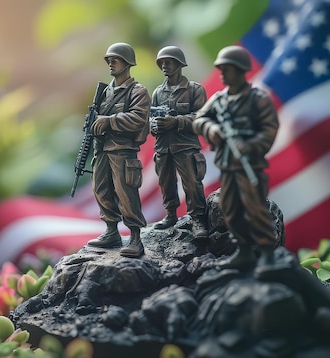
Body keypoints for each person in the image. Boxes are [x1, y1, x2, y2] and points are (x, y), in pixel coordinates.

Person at [193, 45, 279, 269]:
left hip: (250, 164)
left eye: (226, 69)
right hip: (228, 164)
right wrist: (213, 130)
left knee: (256, 209)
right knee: (230, 209)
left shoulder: (257, 98)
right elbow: (199, 119)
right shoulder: (219, 100)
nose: (222, 73)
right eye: (220, 69)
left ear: (240, 70)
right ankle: (243, 249)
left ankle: (268, 252)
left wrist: (249, 145)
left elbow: (269, 129)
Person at [86, 42, 150, 258]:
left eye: (115, 60)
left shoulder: (137, 91)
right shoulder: (105, 92)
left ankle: (134, 237)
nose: (111, 64)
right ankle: (111, 231)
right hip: (103, 149)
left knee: (126, 192)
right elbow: (97, 119)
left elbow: (138, 118)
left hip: (123, 150)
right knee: (101, 188)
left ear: (127, 62)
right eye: (109, 60)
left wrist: (109, 121)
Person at [150, 46, 209, 239]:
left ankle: (198, 218)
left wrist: (175, 121)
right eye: (162, 63)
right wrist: (155, 126)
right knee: (166, 183)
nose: (165, 66)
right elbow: (151, 120)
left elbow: (202, 118)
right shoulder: (158, 92)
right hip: (163, 147)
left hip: (185, 146)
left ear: (179, 63)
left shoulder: (194, 89)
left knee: (192, 183)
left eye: (169, 62)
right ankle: (170, 214)